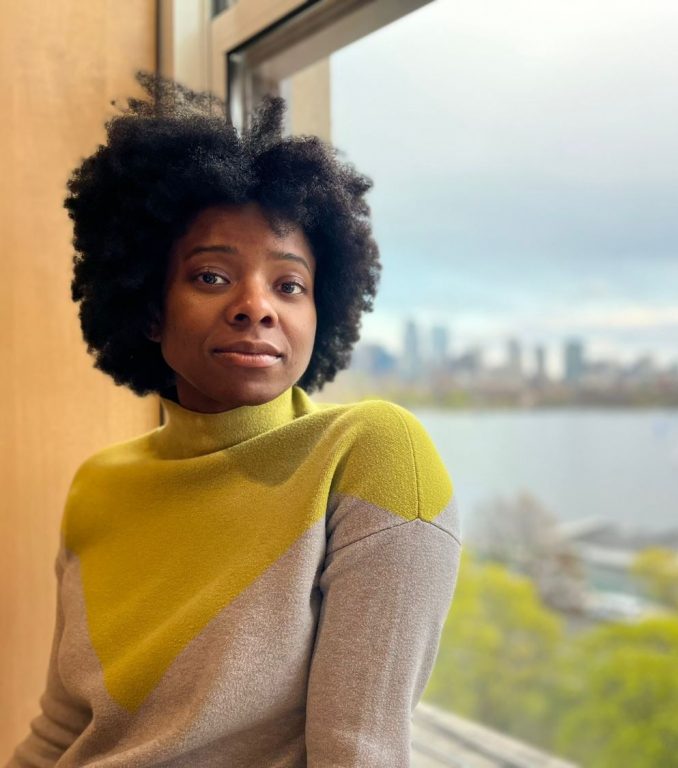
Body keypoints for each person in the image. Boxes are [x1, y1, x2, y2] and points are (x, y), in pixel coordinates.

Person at [5, 71, 461, 768]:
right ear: (151, 309)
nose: (258, 306)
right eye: (212, 277)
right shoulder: (97, 486)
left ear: (322, 310)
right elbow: (59, 732)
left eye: (290, 284)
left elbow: (359, 753)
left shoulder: (370, 454)